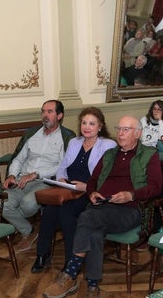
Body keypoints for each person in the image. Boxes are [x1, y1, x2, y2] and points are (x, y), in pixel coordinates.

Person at [42, 116, 163, 298]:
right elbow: (93, 181)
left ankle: (71, 272)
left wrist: (130, 194)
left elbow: (156, 187)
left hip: (131, 210)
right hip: (102, 206)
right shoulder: (110, 154)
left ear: (138, 133)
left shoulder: (149, 155)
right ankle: (92, 287)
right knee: (95, 233)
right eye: (119, 128)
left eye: (126, 129)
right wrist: (92, 193)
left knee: (86, 218)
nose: (121, 133)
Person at [32, 107, 116, 273]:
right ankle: (42, 254)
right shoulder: (74, 142)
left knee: (66, 211)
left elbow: (107, 177)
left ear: (100, 126)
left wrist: (86, 187)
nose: (87, 127)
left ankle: (72, 260)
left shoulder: (108, 145)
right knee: (49, 210)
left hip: (89, 193)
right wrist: (62, 179)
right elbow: (62, 167)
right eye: (84, 123)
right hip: (68, 189)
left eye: (92, 123)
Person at [0, 100, 76, 252]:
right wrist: (12, 175)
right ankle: (29, 231)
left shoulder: (67, 137)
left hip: (45, 182)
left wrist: (36, 174)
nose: (45, 115)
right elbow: (18, 159)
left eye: (50, 112)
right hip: (21, 180)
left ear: (60, 115)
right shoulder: (32, 134)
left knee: (28, 204)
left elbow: (63, 166)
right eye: (43, 112)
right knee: (0, 205)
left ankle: (16, 226)